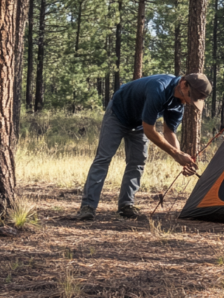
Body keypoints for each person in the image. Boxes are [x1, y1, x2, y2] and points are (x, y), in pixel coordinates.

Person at [77, 73, 212, 220]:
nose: (190, 102)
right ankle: (88, 206)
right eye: (191, 97)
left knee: (137, 162)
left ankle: (126, 206)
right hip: (118, 114)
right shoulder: (159, 88)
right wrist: (176, 154)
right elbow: (149, 130)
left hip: (140, 123)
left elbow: (169, 132)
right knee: (103, 158)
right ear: (183, 84)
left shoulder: (179, 103)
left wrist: (180, 157)